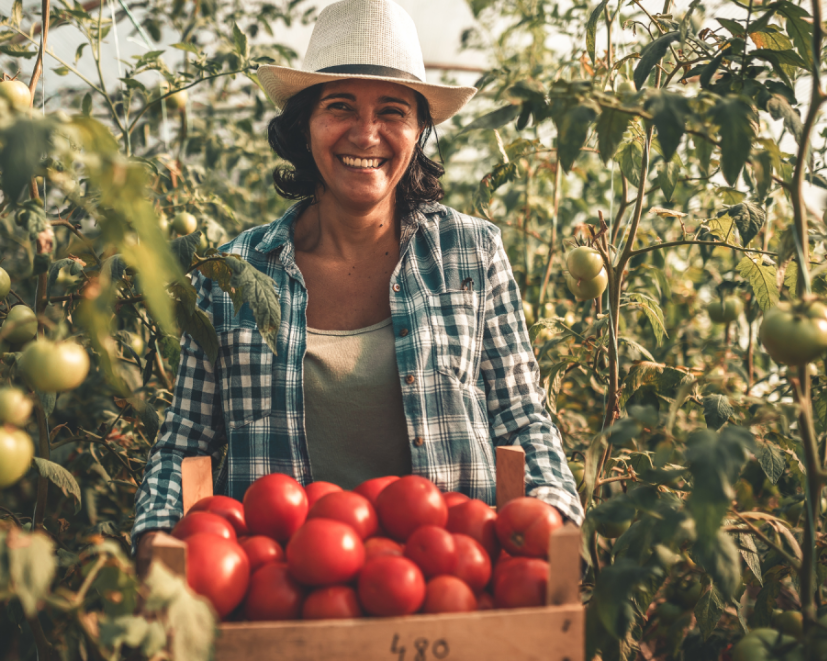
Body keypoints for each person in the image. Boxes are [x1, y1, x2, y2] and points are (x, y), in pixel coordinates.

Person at [133, 0, 582, 573]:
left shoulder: (469, 254)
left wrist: (554, 520)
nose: (365, 134)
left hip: (449, 582)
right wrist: (156, 539)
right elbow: (184, 442)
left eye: (392, 111)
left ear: (418, 131)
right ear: (305, 126)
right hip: (280, 594)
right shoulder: (235, 273)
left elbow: (522, 419)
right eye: (339, 106)